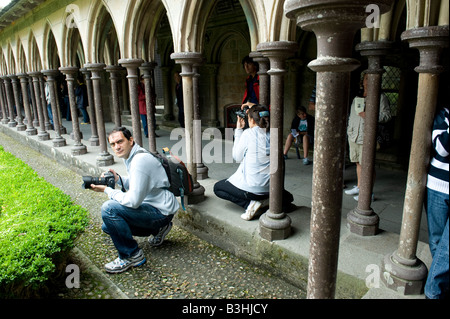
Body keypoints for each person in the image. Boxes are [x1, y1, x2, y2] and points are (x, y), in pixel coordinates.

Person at [89, 127, 180, 273]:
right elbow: (137, 182)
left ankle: (132, 255)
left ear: (130, 140)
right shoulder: (134, 156)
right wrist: (118, 179)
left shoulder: (139, 160)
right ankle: (158, 229)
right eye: (113, 144)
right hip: (156, 207)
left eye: (120, 141)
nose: (117, 147)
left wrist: (107, 190)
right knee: (108, 227)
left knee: (109, 209)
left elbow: (133, 201)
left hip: (160, 211)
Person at [214, 105, 271, 221]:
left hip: (253, 189)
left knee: (218, 188)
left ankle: (250, 204)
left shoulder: (248, 134)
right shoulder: (273, 133)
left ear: (250, 120)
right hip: (270, 188)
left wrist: (239, 130)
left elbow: (237, 157)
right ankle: (266, 201)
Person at [345, 73, 392, 200]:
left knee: (367, 164)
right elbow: (352, 115)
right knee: (358, 163)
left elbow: (387, 116)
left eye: (371, 79)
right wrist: (350, 130)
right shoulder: (357, 96)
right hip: (354, 135)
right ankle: (360, 187)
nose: (368, 81)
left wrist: (370, 115)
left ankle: (368, 193)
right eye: (366, 78)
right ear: (363, 81)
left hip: (367, 136)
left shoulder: (380, 97)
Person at [424, 106, 449, 299]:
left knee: (447, 248)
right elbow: (441, 147)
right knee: (437, 241)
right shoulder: (444, 114)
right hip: (438, 187)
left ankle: (433, 292)